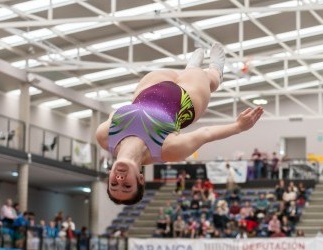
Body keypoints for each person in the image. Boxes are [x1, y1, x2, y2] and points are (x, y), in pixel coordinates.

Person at [96, 43, 264, 205]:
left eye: (114, 185)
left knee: (186, 72)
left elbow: (115, 114)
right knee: (205, 78)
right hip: (185, 101)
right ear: (140, 178)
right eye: (127, 186)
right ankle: (216, 73)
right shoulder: (167, 151)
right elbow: (205, 134)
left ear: (109, 176)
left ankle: (190, 68)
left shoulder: (104, 136)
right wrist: (238, 127)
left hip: (148, 88)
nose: (120, 179)